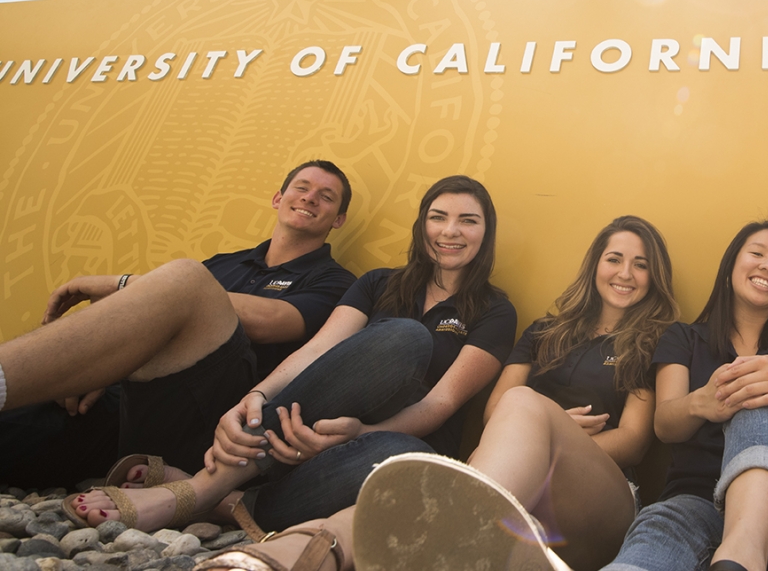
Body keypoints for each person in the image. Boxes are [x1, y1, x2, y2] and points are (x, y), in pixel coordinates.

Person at [194, 215, 681, 571]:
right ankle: (287, 554)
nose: (625, 272)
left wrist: (554, 435)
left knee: (512, 418)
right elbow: (497, 412)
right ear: (595, 265)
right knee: (418, 492)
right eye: (614, 258)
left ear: (653, 276)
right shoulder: (545, 330)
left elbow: (635, 440)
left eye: (640, 265)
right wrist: (537, 432)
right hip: (507, 487)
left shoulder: (659, 338)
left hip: (596, 499)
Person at [65, 175, 517, 537]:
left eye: (468, 220)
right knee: (403, 337)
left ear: (486, 232)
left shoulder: (496, 311)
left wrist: (362, 430)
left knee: (400, 458)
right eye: (438, 217)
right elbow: (318, 349)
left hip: (380, 444)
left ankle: (229, 503)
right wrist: (256, 398)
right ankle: (207, 485)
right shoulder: (378, 283)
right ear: (423, 227)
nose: (451, 231)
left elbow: (441, 404)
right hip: (299, 430)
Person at [0, 160, 356, 481]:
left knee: (187, 278)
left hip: (208, 427)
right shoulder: (223, 263)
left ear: (337, 220)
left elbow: (271, 321)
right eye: (302, 188)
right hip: (125, 408)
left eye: (326, 197)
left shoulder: (335, 282)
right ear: (278, 199)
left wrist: (119, 283)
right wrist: (93, 369)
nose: (310, 198)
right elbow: (158, 323)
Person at [602, 220, 768, 571]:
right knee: (650, 544)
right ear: (730, 267)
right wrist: (704, 401)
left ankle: (744, 551)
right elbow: (665, 425)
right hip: (693, 500)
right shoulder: (683, 338)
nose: (767, 265)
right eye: (757, 253)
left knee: (760, 388)